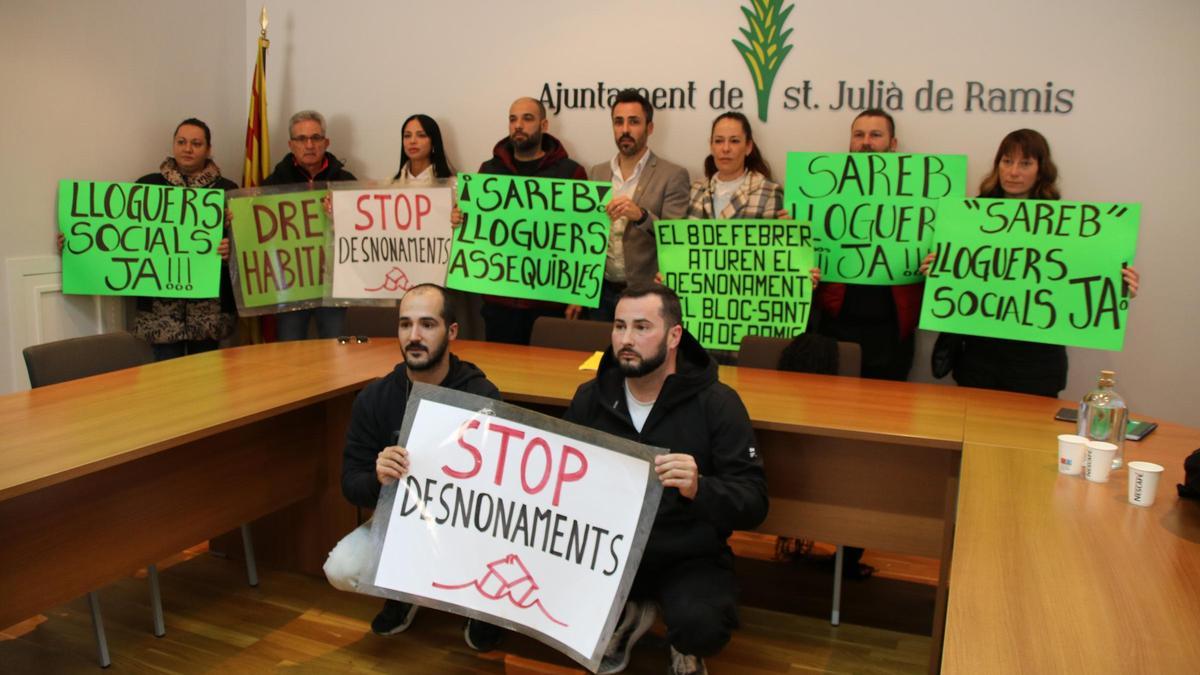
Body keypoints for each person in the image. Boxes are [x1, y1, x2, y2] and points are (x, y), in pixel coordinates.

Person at [564, 285, 768, 675]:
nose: (626, 339)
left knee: (702, 626)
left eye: (642, 327)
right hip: (608, 550)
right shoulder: (591, 397)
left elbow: (755, 501)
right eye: (619, 326)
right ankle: (631, 612)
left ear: (674, 336)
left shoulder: (718, 403)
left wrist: (700, 487)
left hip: (687, 553)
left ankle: (675, 636)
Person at [322, 283, 506, 651]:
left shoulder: (481, 397)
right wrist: (377, 477)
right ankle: (405, 592)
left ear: (451, 332)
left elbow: (503, 491)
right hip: (401, 519)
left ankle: (481, 606)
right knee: (340, 568)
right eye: (405, 325)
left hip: (470, 527)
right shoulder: (376, 398)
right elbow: (349, 483)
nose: (414, 336)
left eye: (427, 324)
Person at [922, 129, 1141, 397]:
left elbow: (1078, 282)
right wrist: (938, 270)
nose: (1013, 172)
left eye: (1025, 164)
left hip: (1038, 363)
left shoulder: (1068, 225)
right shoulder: (967, 218)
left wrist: (1116, 287)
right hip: (979, 359)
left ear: (1041, 170)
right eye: (1006, 161)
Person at [57, 118, 238, 361]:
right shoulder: (148, 186)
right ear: (173, 145)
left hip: (209, 312)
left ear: (208, 149)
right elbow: (120, 234)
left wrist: (230, 250)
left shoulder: (228, 190)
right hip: (160, 314)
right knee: (165, 384)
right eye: (181, 142)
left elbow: (245, 247)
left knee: (206, 383)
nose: (188, 148)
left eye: (196, 143)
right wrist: (76, 243)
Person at [812, 109, 922, 382]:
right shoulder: (823, 190)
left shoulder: (918, 194)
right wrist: (796, 233)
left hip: (892, 329)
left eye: (876, 135)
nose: (866, 142)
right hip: (836, 323)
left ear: (893, 144)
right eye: (858, 135)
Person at [469, 96, 587, 345]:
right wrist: (460, 217)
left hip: (549, 303)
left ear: (544, 125)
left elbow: (583, 238)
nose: (518, 125)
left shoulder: (570, 173)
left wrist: (580, 294)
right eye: (513, 119)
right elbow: (477, 227)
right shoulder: (489, 171)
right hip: (499, 302)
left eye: (527, 118)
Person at [568, 89, 690, 321]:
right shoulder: (597, 172)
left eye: (634, 122)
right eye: (618, 122)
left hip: (645, 295)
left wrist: (642, 215)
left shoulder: (673, 175)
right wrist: (579, 291)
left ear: (650, 128)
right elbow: (585, 237)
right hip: (600, 294)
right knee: (598, 356)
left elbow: (675, 238)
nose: (625, 130)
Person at [263, 110, 357, 341]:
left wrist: (340, 216)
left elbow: (360, 232)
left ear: (326, 142)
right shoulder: (273, 184)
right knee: (290, 348)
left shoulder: (346, 182)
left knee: (334, 347)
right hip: (291, 284)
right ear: (290, 144)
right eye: (301, 139)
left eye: (316, 138)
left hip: (332, 283)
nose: (309, 145)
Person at [685, 111, 781, 219]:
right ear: (711, 146)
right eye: (718, 141)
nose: (725, 148)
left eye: (734, 141)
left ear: (748, 147)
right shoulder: (695, 189)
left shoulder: (769, 192)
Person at [392, 113, 454, 185]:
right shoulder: (389, 185)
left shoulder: (461, 185)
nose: (412, 141)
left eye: (421, 135)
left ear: (434, 141)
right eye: (407, 136)